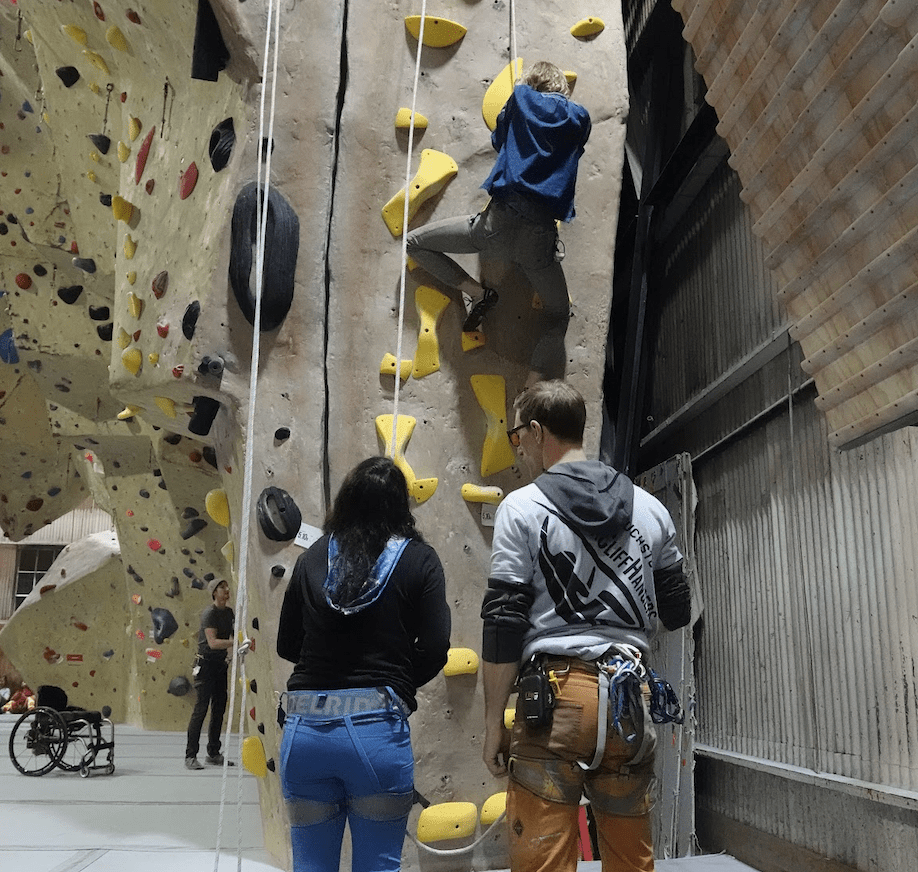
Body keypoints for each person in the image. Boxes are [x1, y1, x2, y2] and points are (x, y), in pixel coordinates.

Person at [480, 381, 692, 872]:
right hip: (628, 702)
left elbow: (503, 624)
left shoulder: (522, 506)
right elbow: (678, 610)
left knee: (544, 861)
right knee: (630, 860)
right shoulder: (651, 508)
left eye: (517, 436)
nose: (518, 448)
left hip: (554, 702)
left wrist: (493, 723)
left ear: (535, 432)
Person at [277, 456, 451, 872]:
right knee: (378, 864)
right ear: (401, 506)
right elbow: (436, 646)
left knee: (310, 864)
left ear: (345, 501)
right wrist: (399, 681)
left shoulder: (312, 559)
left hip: (305, 734)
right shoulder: (420, 560)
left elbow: (288, 644)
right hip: (376, 735)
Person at [406, 61, 591, 384]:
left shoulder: (520, 99)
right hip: (538, 240)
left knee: (415, 243)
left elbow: (499, 140)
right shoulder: (579, 118)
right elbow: (576, 148)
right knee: (558, 315)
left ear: (531, 83)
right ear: (561, 87)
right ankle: (531, 387)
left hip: (496, 225)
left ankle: (476, 293)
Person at [185, 578, 235, 769]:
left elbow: (234, 634)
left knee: (219, 709)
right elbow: (213, 642)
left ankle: (213, 753)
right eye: (222, 588)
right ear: (214, 592)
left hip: (219, 665)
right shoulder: (209, 613)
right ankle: (190, 756)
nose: (226, 590)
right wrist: (234, 643)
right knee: (201, 709)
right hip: (205, 666)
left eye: (226, 587)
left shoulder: (229, 613)